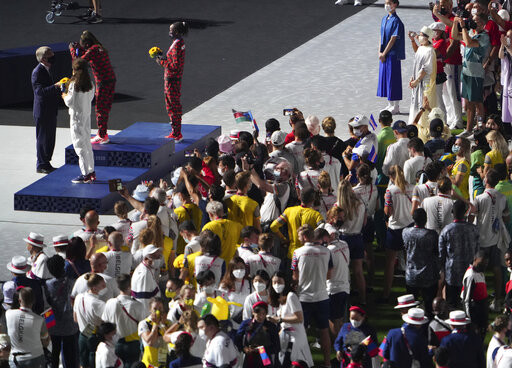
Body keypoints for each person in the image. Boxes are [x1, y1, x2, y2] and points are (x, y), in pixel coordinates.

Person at [291, 225, 332, 367]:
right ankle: (328, 364)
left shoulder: (297, 253)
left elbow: (295, 276)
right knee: (324, 331)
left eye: (299, 236)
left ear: (305, 237)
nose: (298, 239)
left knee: (301, 332)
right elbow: (329, 275)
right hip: (322, 296)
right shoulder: (327, 252)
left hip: (304, 298)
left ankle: (303, 363)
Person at [70, 31, 116, 144]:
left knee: (100, 109)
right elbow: (86, 56)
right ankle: (102, 132)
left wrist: (72, 50)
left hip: (103, 82)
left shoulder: (93, 50)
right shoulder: (98, 48)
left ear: (86, 44)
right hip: (110, 80)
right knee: (105, 107)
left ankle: (102, 135)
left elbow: (78, 63)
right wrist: (80, 50)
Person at [474, 168, 509, 309]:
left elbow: (471, 218)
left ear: (486, 180)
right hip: (496, 239)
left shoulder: (479, 198)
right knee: (497, 269)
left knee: (477, 270)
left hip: (481, 240)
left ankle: (477, 298)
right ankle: (498, 301)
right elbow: (506, 218)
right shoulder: (502, 197)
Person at [452, 13, 490, 136]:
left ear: (483, 24)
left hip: (475, 73)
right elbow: (454, 36)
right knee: (468, 102)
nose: (474, 23)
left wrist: (463, 27)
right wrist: (455, 23)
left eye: (477, 21)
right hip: (466, 72)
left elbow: (468, 43)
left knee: (476, 102)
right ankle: (469, 129)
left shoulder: (484, 36)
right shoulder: (472, 32)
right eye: (473, 20)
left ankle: (477, 128)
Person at [439, 199, 480, 309]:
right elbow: (477, 252)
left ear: (452, 212)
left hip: (452, 274)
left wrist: (442, 271)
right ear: (466, 212)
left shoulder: (446, 230)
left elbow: (441, 254)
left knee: (451, 305)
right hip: (469, 273)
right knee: (468, 305)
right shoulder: (473, 229)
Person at [267, 271, 313, 368]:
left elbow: (299, 318)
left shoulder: (291, 296)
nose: (276, 285)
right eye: (274, 283)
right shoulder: (280, 300)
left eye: (279, 282)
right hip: (285, 335)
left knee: (296, 361)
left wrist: (280, 319)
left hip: (295, 337)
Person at [382, 165, 413, 302]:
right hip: (410, 227)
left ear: (390, 176)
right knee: (410, 262)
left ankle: (386, 294)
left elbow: (387, 212)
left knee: (389, 264)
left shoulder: (390, 190)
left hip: (395, 229)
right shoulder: (412, 187)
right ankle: (411, 292)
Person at [62, 57, 96, 183]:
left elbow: (70, 102)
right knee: (87, 144)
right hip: (86, 116)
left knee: (79, 146)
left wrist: (64, 96)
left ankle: (85, 174)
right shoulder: (90, 84)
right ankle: (91, 171)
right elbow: (91, 98)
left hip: (77, 118)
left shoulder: (73, 85)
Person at [102, 274, 145, 367]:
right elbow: (143, 325)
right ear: (130, 286)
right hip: (132, 345)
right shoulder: (138, 305)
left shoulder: (110, 303)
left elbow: (105, 322)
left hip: (115, 343)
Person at [402, 208, 439, 318]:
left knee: (411, 309)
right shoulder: (431, 235)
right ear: (426, 220)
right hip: (428, 276)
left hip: (411, 275)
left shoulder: (405, 232)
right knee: (429, 309)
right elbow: (436, 252)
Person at [44, 255, 79, 368]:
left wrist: (49, 326)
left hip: (54, 325)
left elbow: (47, 307)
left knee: (55, 351)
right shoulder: (73, 282)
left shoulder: (47, 285)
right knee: (70, 354)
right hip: (71, 324)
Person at [270, 188, 324, 261]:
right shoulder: (316, 215)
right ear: (313, 200)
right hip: (309, 255)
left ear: (300, 197)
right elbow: (322, 230)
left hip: (292, 254)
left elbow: (273, 226)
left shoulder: (288, 211)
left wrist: (284, 239)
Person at [155, 22, 188, 142]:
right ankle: (175, 131)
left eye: (171, 30)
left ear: (177, 32)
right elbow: (174, 60)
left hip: (172, 80)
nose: (170, 32)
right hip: (173, 79)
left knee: (172, 105)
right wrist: (163, 57)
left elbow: (174, 65)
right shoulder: (179, 43)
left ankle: (176, 133)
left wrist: (161, 62)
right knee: (173, 105)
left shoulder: (178, 45)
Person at [337, 179, 367, 304]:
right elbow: (365, 222)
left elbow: (336, 223)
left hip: (344, 238)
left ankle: (346, 300)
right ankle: (363, 299)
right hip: (358, 237)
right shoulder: (360, 203)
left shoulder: (339, 205)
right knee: (359, 271)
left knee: (344, 272)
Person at [31, 46, 60, 174]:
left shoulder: (47, 69)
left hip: (50, 110)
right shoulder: (37, 72)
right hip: (42, 111)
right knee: (43, 138)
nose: (53, 56)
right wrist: (56, 86)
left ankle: (46, 162)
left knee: (49, 139)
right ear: (43, 59)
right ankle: (41, 164)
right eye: (50, 55)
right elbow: (40, 92)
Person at [6, 287, 50, 368]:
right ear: (33, 301)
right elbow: (45, 343)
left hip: (16, 360)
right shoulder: (40, 320)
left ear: (19, 301)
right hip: (36, 358)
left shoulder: (8, 314)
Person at [73, 273, 107, 368]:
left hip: (82, 335)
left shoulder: (79, 297)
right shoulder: (99, 303)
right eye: (103, 286)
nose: (105, 288)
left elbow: (75, 319)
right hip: (95, 337)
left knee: (83, 363)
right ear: (94, 288)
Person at [377, 0, 405, 114]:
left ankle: (396, 105)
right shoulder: (384, 19)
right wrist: (379, 52)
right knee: (386, 78)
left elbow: (393, 39)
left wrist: (385, 53)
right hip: (384, 54)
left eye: (389, 3)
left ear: (395, 4)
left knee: (394, 79)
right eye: (385, 2)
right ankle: (390, 103)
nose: (386, 5)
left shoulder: (397, 21)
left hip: (393, 54)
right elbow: (381, 36)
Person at [407, 26, 437, 132]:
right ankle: (413, 125)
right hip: (417, 82)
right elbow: (417, 55)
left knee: (423, 104)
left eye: (421, 35)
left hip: (425, 83)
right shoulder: (422, 48)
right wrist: (413, 77)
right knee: (415, 103)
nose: (418, 37)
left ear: (427, 37)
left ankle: (423, 128)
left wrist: (417, 80)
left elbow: (426, 68)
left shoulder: (430, 51)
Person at [235, 301, 280, 368]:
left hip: (264, 355)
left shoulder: (271, 326)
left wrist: (261, 349)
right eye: (258, 314)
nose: (261, 316)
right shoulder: (246, 324)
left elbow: (277, 346)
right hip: (250, 355)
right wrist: (244, 348)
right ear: (253, 312)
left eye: (263, 314)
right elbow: (237, 339)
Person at [138, 298, 172, 368]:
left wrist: (164, 325)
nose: (158, 311)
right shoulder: (144, 323)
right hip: (150, 362)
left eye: (160, 309)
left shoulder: (168, 323)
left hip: (163, 360)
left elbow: (172, 340)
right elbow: (150, 342)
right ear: (150, 309)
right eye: (155, 309)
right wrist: (155, 325)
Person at [461, 251, 488, 337]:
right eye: (481, 263)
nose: (484, 266)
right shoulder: (470, 275)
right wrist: (470, 321)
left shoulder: (480, 272)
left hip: (482, 310)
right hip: (475, 311)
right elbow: (466, 300)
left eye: (485, 264)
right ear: (475, 260)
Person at [131, 245, 162, 313]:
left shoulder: (148, 270)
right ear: (146, 258)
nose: (158, 259)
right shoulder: (145, 274)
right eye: (154, 257)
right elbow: (143, 300)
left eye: (158, 256)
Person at [500, 30, 512, 128]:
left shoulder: (509, 49)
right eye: (507, 36)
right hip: (509, 82)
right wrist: (502, 45)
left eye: (510, 37)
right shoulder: (507, 48)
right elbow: (501, 56)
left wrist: (507, 47)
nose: (508, 39)